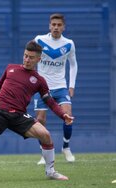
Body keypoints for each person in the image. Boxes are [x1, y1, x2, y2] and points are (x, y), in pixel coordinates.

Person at [0, 40, 74, 183]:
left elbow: (50, 101)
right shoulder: (10, 68)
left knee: (45, 135)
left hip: (19, 114)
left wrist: (63, 115)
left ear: (39, 59)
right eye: (25, 55)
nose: (27, 59)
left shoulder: (39, 80)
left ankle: (50, 171)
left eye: (31, 57)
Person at [34, 13, 78, 165]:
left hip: (60, 87)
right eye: (53, 24)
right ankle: (43, 154)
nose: (56, 27)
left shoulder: (69, 44)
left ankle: (66, 147)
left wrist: (71, 85)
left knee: (68, 116)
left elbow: (73, 64)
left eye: (59, 25)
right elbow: (29, 57)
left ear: (63, 27)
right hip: (42, 88)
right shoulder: (39, 40)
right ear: (49, 26)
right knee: (40, 120)